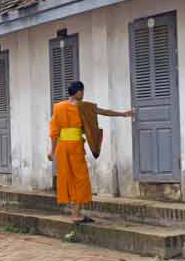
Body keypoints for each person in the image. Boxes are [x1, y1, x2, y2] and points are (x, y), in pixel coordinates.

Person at [49, 81, 132, 224]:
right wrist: (123, 114)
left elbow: (54, 132)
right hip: (75, 146)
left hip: (62, 147)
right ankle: (76, 214)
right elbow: (103, 112)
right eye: (82, 91)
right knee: (81, 179)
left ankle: (75, 212)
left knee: (67, 178)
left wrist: (52, 151)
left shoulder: (58, 107)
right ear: (79, 92)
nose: (83, 94)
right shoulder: (83, 106)